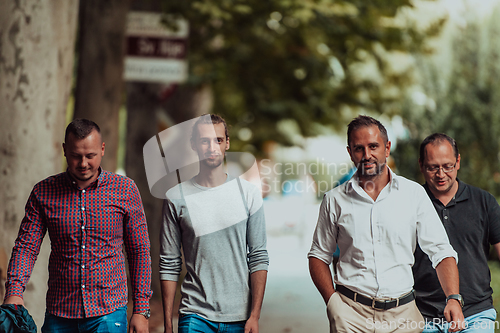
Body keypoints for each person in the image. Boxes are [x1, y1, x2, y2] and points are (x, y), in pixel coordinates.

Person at [308, 115, 465, 333]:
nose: (367, 155)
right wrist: (333, 303)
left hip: (403, 317)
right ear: (350, 152)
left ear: (387, 147)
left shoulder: (414, 194)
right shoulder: (334, 200)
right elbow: (318, 255)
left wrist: (453, 298)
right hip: (350, 315)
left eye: (373, 146)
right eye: (359, 148)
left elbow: (441, 250)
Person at [3, 119, 153, 333]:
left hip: (109, 313)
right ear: (65, 150)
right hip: (59, 313)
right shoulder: (43, 192)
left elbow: (139, 251)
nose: (83, 163)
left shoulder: (125, 190)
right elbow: (26, 246)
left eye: (90, 155)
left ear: (102, 149)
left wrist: (141, 309)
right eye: (76, 155)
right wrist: (14, 292)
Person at [159, 114, 269, 333]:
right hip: (194, 315)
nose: (212, 147)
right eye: (204, 141)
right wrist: (167, 324)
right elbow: (169, 263)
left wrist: (255, 316)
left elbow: (258, 256)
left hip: (239, 315)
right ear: (194, 145)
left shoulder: (248, 195)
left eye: (218, 140)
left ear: (227, 143)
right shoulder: (176, 197)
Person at [413, 133, 500, 332]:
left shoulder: (484, 201)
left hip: (476, 314)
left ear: (458, 162)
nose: (441, 174)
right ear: (421, 165)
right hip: (424, 317)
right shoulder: (411, 204)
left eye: (447, 166)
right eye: (433, 167)